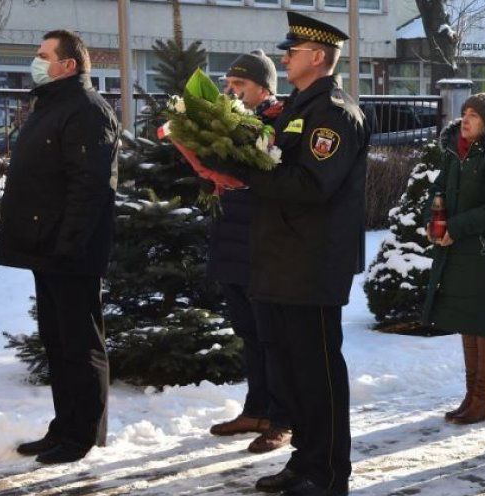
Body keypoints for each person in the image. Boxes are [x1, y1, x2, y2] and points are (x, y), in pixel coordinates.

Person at [208, 12, 368, 496]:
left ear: (317, 57)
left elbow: (310, 185)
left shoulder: (335, 112)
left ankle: (330, 473)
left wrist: (243, 171)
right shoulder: (300, 106)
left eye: (291, 52)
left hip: (312, 262)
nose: (283, 57)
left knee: (317, 372)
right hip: (281, 257)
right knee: (293, 373)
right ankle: (305, 460)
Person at [0, 30, 120, 464]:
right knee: (58, 341)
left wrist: (67, 245)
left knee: (80, 342)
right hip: (46, 248)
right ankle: (64, 425)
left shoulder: (87, 109)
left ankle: (83, 434)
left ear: (68, 65)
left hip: (71, 252)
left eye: (43, 55)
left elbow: (91, 187)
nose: (36, 61)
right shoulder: (51, 104)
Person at [206, 50, 293, 454]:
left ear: (264, 87)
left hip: (263, 244)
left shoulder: (280, 121)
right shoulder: (231, 122)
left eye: (239, 85)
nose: (232, 91)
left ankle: (282, 419)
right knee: (248, 333)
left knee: (273, 337)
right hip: (232, 239)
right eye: (229, 85)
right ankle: (256, 408)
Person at [421, 93, 485, 425]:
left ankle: (484, 399)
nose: (466, 119)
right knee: (467, 321)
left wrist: (456, 227)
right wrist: (431, 221)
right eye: (464, 113)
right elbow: (438, 192)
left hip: (484, 253)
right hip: (456, 250)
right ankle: (471, 395)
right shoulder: (454, 155)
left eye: (474, 114)